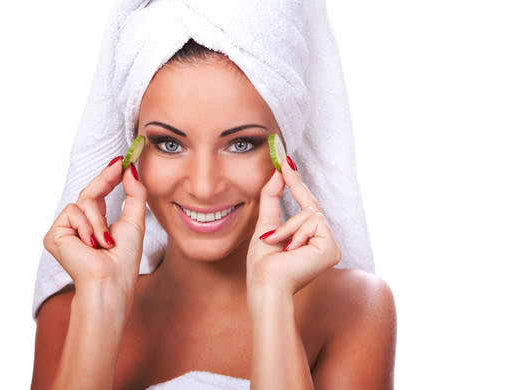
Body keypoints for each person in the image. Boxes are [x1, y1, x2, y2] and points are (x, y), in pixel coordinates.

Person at [30, 3, 396, 390]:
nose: (204, 187)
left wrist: (273, 303)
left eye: (241, 144)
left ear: (286, 153)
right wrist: (100, 305)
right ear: (131, 153)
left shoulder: (352, 308)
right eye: (169, 144)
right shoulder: (72, 311)